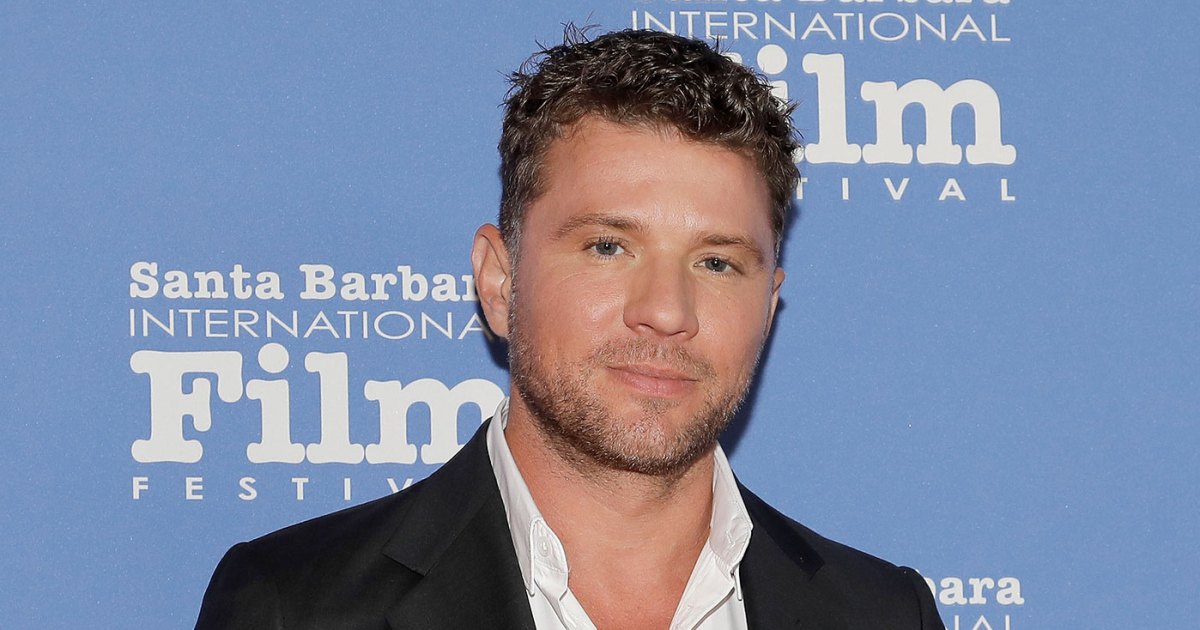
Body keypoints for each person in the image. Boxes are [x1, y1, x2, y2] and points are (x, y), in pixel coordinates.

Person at [196, 29, 944, 630]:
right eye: (608, 247)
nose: (667, 312)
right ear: (500, 281)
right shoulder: (298, 606)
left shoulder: (882, 614)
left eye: (717, 263)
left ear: (769, 306)